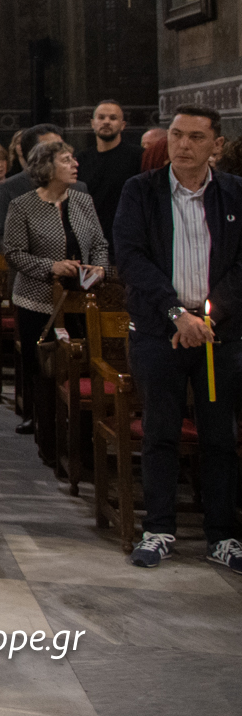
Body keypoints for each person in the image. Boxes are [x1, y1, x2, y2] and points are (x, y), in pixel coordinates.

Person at [112, 106, 242, 572]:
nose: (183, 145)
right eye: (176, 134)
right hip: (158, 330)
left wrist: (208, 316)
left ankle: (222, 535)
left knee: (220, 436)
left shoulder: (234, 193)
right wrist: (176, 314)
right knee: (161, 432)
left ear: (217, 145)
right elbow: (130, 257)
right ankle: (158, 529)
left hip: (218, 334)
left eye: (196, 137)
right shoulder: (140, 190)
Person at [0, 136, 109, 436]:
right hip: (37, 300)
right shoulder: (23, 205)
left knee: (78, 364)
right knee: (43, 365)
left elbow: (99, 244)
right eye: (66, 160)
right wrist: (52, 267)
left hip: (80, 298)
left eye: (73, 159)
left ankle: (78, 430)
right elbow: (14, 253)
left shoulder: (83, 201)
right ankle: (43, 424)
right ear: (47, 168)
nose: (75, 165)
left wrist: (100, 268)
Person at [0, 124, 77, 244]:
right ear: (33, 153)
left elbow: (94, 239)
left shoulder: (77, 187)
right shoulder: (8, 189)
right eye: (51, 148)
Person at [81, 101, 137, 237]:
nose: (106, 122)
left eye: (113, 118)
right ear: (92, 123)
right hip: (89, 236)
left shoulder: (137, 157)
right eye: (101, 117)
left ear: (123, 125)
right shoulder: (81, 160)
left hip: (125, 235)